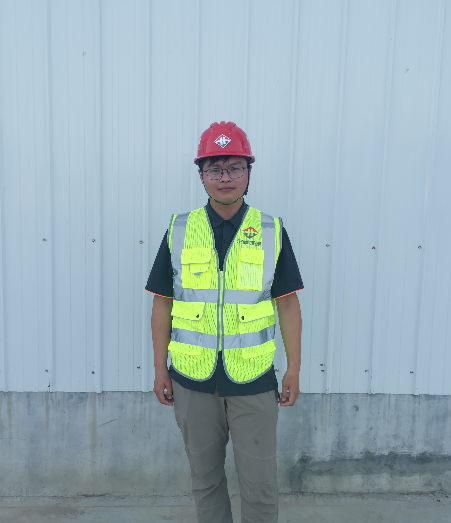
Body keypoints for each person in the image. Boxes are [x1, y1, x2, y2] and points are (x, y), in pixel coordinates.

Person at [146, 121, 303, 523]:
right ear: (201, 175)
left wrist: (294, 369)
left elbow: (287, 304)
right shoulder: (180, 229)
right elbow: (163, 303)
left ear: (249, 171)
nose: (225, 177)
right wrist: (160, 369)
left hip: (253, 378)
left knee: (260, 483)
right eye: (214, 169)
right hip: (191, 379)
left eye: (235, 167)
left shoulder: (270, 230)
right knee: (205, 479)